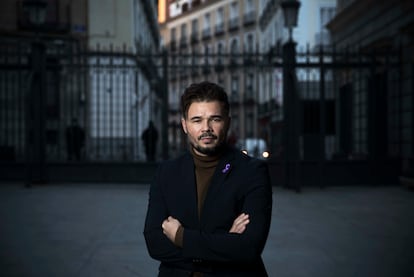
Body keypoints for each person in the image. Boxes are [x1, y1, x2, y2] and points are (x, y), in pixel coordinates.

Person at [143, 81, 273, 276]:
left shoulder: (252, 172)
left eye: (215, 119)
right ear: (184, 125)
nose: (206, 128)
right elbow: (154, 242)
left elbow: (248, 247)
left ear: (228, 122)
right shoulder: (166, 172)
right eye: (197, 120)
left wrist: (181, 237)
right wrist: (224, 244)